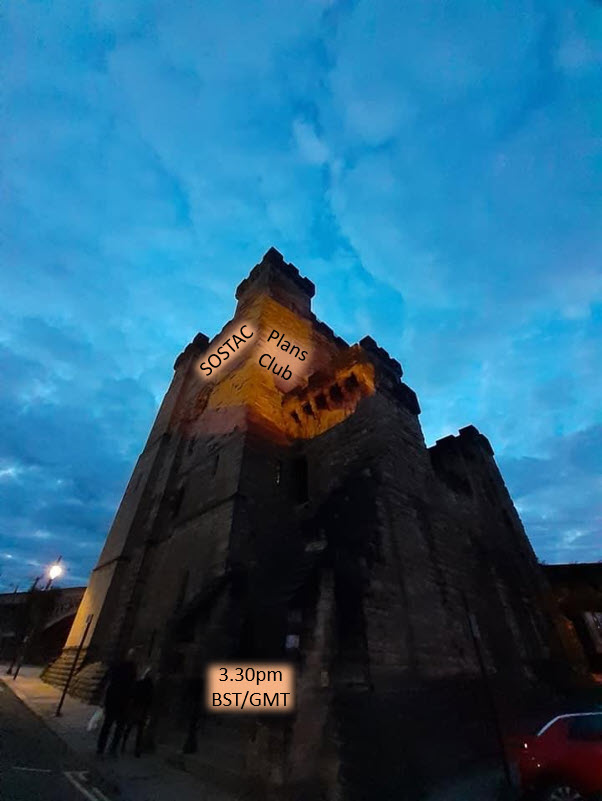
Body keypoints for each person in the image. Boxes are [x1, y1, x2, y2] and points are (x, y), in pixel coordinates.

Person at [96, 649, 137, 756]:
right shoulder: (127, 668)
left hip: (120, 701)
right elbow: (109, 683)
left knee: (114, 726)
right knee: (110, 726)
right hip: (117, 700)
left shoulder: (128, 668)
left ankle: (108, 748)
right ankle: (104, 748)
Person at [121, 666, 154, 757]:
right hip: (142, 709)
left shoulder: (140, 683)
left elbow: (133, 694)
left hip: (137, 707)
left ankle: (124, 745)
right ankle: (136, 749)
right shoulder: (150, 686)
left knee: (130, 727)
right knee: (139, 730)